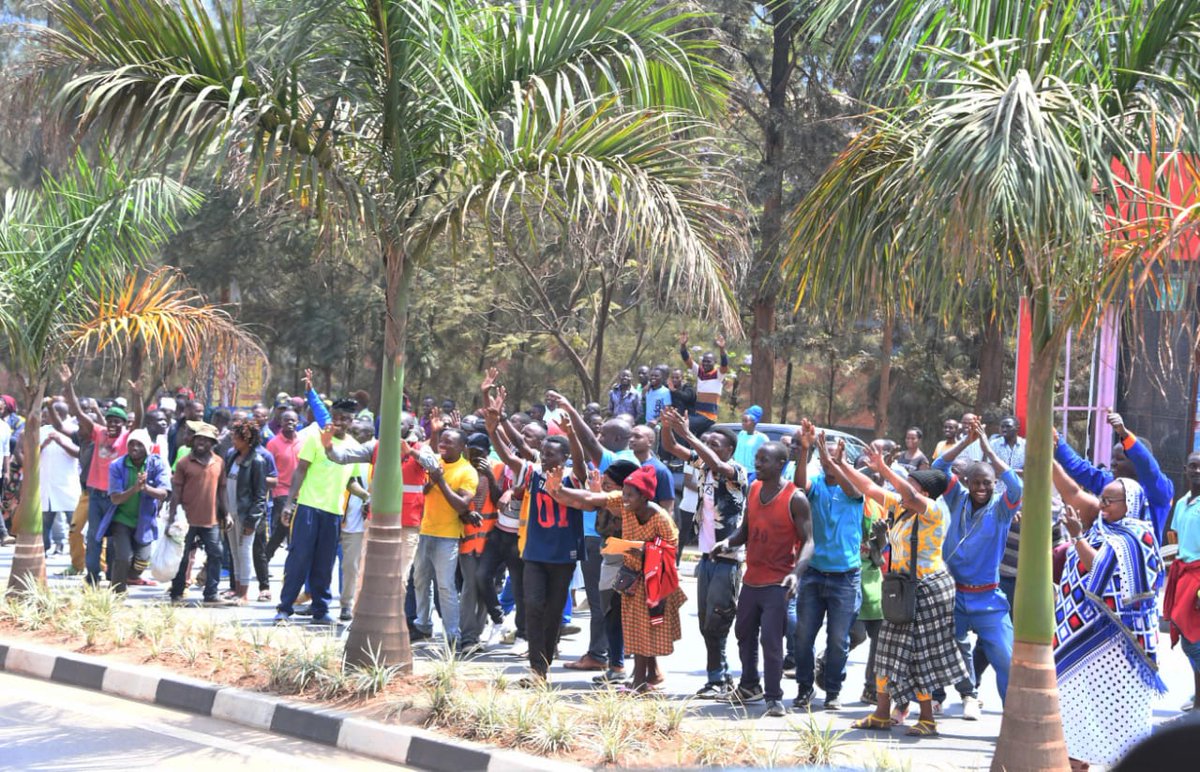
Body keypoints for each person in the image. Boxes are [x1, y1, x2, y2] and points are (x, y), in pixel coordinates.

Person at [838, 445, 968, 738]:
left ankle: (927, 719)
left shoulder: (933, 510)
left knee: (920, 653)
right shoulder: (901, 508)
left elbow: (906, 494)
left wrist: (884, 468)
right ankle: (882, 714)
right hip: (902, 588)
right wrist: (840, 464)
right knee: (886, 648)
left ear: (926, 493)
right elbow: (869, 488)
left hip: (928, 589)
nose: (905, 488)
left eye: (913, 484)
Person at [1053, 473, 1166, 770]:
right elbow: (1073, 490)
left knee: (1118, 714)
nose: (1102, 505)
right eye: (1101, 498)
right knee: (1074, 709)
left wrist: (1077, 536)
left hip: (1118, 646)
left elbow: (1100, 571)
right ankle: (1077, 763)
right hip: (1080, 638)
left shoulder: (1137, 537)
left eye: (1108, 501)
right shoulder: (1103, 527)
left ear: (1128, 504)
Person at [486, 388, 582, 684]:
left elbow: (579, 460)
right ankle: (536, 668)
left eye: (552, 454)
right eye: (544, 454)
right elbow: (505, 454)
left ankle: (545, 662)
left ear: (563, 457)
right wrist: (493, 427)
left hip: (563, 555)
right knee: (534, 605)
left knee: (554, 611)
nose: (545, 458)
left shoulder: (573, 477)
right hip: (534, 553)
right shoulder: (531, 473)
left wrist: (572, 433)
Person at [712, 441, 813, 717]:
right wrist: (726, 543)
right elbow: (745, 530)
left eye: (764, 460)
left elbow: (809, 542)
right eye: (757, 458)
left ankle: (774, 697)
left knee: (771, 640)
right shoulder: (754, 489)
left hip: (777, 583)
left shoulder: (796, 498)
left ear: (781, 464)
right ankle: (749, 685)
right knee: (743, 633)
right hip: (751, 580)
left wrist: (796, 574)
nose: (758, 464)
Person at [932, 416, 1022, 718]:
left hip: (988, 598)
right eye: (976, 482)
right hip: (953, 595)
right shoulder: (957, 498)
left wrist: (987, 448)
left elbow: (1017, 487)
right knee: (945, 649)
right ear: (967, 483)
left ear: (994, 484)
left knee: (1006, 659)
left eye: (987, 483)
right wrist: (967, 443)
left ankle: (1011, 720)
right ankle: (954, 697)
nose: (981, 487)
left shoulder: (1001, 510)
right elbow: (938, 470)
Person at [660, 406, 747, 698]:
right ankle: (718, 677)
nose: (708, 447)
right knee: (705, 623)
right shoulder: (703, 466)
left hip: (728, 559)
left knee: (718, 620)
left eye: (715, 444)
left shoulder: (736, 471)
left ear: (730, 449)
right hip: (706, 558)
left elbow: (719, 467)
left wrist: (689, 434)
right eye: (706, 442)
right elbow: (671, 446)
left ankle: (719, 680)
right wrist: (667, 426)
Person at [790, 418, 866, 711]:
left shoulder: (853, 486)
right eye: (825, 459)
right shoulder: (816, 485)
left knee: (838, 640)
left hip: (845, 577)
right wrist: (806, 450)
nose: (827, 462)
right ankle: (805, 688)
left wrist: (833, 460)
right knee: (803, 636)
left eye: (834, 458)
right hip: (813, 573)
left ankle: (832, 690)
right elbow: (799, 484)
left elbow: (853, 491)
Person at [274, 399, 362, 626]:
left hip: (333, 513)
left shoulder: (353, 446)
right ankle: (284, 608)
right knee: (298, 559)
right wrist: (288, 503)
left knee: (324, 564)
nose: (339, 422)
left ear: (352, 421)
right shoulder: (316, 438)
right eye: (336, 417)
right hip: (308, 509)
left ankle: (320, 610)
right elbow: (300, 471)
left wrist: (366, 496)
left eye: (345, 418)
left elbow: (351, 481)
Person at [410, 419, 479, 647]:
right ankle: (423, 625)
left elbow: (462, 505)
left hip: (447, 536)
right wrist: (430, 482)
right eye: (442, 441)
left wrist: (439, 481)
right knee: (420, 580)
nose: (444, 446)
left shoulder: (467, 472)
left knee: (445, 586)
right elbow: (422, 490)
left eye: (449, 443)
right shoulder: (434, 462)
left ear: (462, 448)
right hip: (424, 530)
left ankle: (452, 635)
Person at [1055, 410, 1174, 542]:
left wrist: (1124, 434)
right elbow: (1079, 468)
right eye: (1112, 458)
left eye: (1119, 459)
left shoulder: (1159, 491)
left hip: (1142, 560)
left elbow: (1149, 467)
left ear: (1136, 461)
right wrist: (1056, 440)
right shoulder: (1111, 483)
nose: (1112, 463)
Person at [60, 364, 130, 585]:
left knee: (116, 540)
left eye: (116, 422)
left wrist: (137, 396)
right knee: (94, 537)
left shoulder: (128, 438)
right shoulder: (98, 433)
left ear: (123, 424)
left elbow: (141, 418)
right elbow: (78, 413)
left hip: (117, 496)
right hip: (96, 494)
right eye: (109, 421)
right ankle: (92, 577)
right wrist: (68, 385)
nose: (112, 425)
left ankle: (113, 576)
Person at [98, 429, 169, 594]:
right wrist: (135, 489)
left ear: (147, 448)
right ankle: (117, 592)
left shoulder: (157, 464)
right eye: (131, 443)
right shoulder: (117, 465)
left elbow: (164, 493)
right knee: (123, 557)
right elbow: (115, 498)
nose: (134, 448)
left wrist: (145, 488)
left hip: (144, 521)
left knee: (143, 560)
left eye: (139, 444)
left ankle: (130, 576)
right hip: (122, 519)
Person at [168, 422, 227, 605]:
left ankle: (211, 594)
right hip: (186, 520)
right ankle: (177, 593)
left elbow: (222, 490)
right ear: (193, 441)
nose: (202, 442)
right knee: (183, 556)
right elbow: (176, 491)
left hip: (211, 519)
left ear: (213, 443)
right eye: (199, 439)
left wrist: (227, 514)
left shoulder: (219, 462)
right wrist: (172, 517)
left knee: (216, 553)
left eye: (206, 440)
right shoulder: (184, 463)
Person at [458, 432, 499, 651]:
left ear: (487, 452)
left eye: (479, 453)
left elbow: (500, 499)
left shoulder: (497, 469)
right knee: (470, 587)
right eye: (470, 452)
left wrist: (490, 477)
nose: (474, 457)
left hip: (490, 542)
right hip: (467, 540)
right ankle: (468, 637)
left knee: (485, 586)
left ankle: (478, 633)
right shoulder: (462, 469)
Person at [223, 420, 269, 605]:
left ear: (247, 440)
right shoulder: (232, 457)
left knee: (244, 552)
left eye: (236, 437)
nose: (233, 440)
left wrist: (252, 521)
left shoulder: (257, 461)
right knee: (234, 553)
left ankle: (244, 594)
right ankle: (237, 590)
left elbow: (260, 496)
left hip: (245, 515)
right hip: (230, 513)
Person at [39, 402, 81, 555]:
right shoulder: (42, 431)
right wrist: (44, 444)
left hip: (67, 485)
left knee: (74, 523)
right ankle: (43, 550)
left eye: (48, 414)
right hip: (47, 484)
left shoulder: (73, 431)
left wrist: (60, 441)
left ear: (58, 415)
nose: (45, 417)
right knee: (45, 521)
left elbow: (78, 453)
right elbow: (32, 455)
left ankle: (77, 555)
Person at [679, 331, 728, 436]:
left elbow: (724, 365)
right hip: (697, 415)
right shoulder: (700, 372)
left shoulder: (718, 375)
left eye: (708, 361)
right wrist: (683, 345)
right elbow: (687, 360)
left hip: (708, 417)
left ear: (714, 363)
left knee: (683, 425)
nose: (705, 364)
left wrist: (722, 349)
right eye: (704, 361)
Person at [734, 406, 768, 482]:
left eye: (746, 421)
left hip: (751, 474)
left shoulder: (761, 438)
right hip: (737, 471)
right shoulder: (741, 435)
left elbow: (767, 456)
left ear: (754, 422)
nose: (743, 423)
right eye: (742, 420)